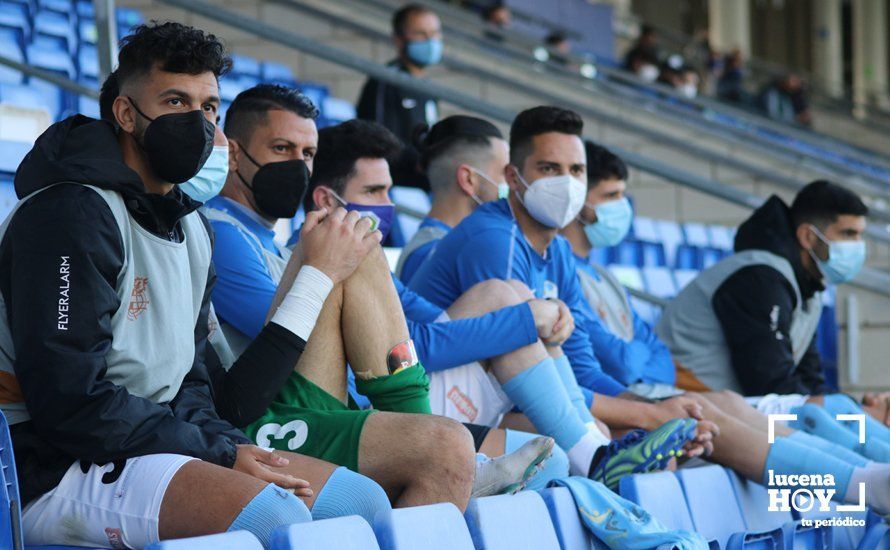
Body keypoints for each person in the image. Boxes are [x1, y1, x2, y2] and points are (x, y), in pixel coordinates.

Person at [0, 22, 394, 548]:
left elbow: (192, 383)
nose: (198, 121)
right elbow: (70, 401)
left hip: (150, 445)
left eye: (208, 107)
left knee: (359, 505)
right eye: (175, 101)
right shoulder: (69, 213)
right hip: (53, 465)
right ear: (125, 113)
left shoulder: (192, 226)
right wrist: (224, 455)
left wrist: (225, 445)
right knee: (275, 519)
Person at [200, 84, 560, 507]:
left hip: (326, 395)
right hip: (253, 415)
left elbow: (422, 324)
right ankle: (583, 450)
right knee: (346, 231)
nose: (298, 165)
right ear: (236, 153)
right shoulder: (223, 232)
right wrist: (521, 322)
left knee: (354, 233)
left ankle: (573, 447)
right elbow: (289, 339)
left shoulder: (272, 242)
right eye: (282, 148)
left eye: (307, 155)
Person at [300, 118, 703, 491]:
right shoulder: (307, 265)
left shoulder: (558, 251)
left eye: (576, 171)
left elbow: (426, 333)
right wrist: (527, 320)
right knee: (557, 447)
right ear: (327, 200)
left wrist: (650, 407)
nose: (389, 205)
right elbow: (417, 349)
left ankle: (596, 451)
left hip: (430, 394)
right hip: (380, 415)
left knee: (505, 294)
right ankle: (594, 452)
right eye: (374, 192)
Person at [558, 141, 890, 511]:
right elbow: (620, 362)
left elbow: (655, 355)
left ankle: (876, 471)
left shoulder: (606, 277)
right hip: (672, 394)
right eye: (612, 195)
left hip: (671, 390)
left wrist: (639, 355)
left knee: (836, 408)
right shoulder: (759, 277)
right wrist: (640, 355)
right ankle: (870, 484)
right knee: (819, 411)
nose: (624, 207)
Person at [658, 181, 867, 398]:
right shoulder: (759, 279)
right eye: (848, 234)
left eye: (860, 235)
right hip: (687, 402)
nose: (858, 245)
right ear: (808, 237)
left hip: (727, 408)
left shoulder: (806, 286)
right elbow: (770, 385)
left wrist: (858, 411)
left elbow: (810, 379)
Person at [396, 115, 508, 283]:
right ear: (468, 180)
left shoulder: (450, 246)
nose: (511, 184)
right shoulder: (429, 255)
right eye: (503, 173)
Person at [356, 3, 440, 192]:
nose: (430, 41)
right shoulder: (384, 81)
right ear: (399, 39)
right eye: (421, 34)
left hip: (426, 180)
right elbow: (375, 139)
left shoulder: (428, 86)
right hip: (398, 184)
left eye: (435, 33)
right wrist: (421, 163)